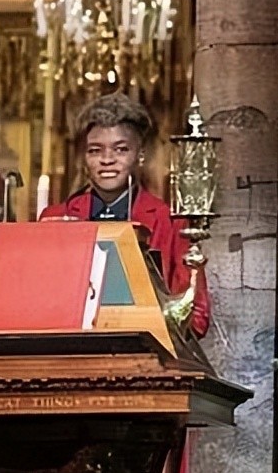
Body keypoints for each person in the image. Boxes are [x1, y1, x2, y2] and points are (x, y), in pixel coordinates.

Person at [39, 93, 211, 338]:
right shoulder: (55, 217)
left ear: (140, 155)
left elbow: (198, 317)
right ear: (84, 158)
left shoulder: (170, 221)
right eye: (95, 150)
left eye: (120, 150)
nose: (107, 160)